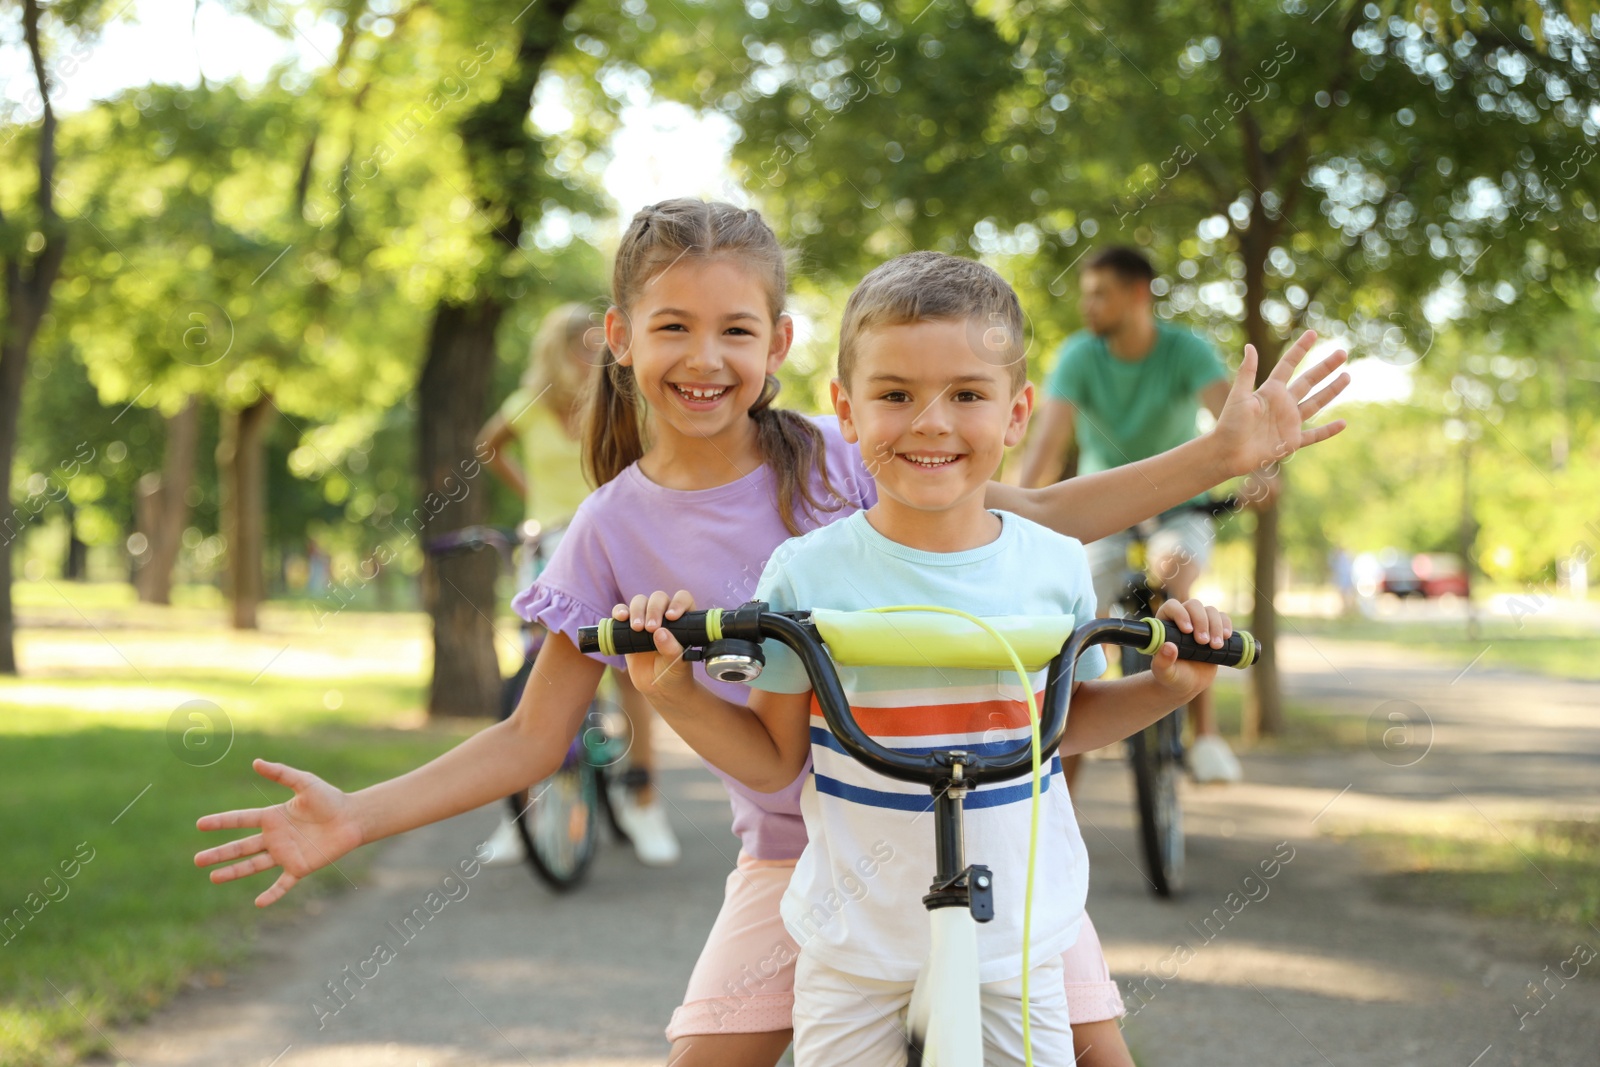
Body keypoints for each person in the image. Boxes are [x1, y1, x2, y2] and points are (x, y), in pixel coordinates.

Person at [194, 199, 1349, 1067]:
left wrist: (1216, 457)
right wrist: (358, 814)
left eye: (735, 328)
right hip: (802, 851)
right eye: (673, 326)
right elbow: (530, 737)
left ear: (780, 340)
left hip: (977, 820)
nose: (706, 357)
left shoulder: (852, 450)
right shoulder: (607, 534)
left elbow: (1033, 515)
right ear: (619, 336)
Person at [614, 251, 1234, 1064]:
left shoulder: (1051, 566)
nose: (932, 423)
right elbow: (772, 762)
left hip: (1018, 935)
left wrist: (1165, 690)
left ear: (1017, 414)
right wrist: (671, 690)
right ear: (846, 409)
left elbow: (1065, 722)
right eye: (896, 395)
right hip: (852, 939)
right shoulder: (806, 574)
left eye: (968, 395)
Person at [1017, 246, 1247, 785]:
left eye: (1100, 294)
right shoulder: (1078, 355)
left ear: (1139, 294)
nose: (1087, 305)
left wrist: (1265, 470)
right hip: (1106, 510)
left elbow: (1229, 421)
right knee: (1077, 615)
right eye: (1085, 294)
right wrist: (1021, 511)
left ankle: (1206, 735)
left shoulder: (1185, 350)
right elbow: (1046, 445)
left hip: (1180, 506)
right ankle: (1062, 791)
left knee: (1174, 569)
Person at [475, 303, 680, 867]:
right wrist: (532, 503)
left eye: (596, 344)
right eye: (579, 345)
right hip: (546, 548)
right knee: (536, 676)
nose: (590, 355)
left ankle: (643, 802)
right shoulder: (528, 408)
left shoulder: (621, 406)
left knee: (633, 675)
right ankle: (522, 818)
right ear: (553, 350)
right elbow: (486, 448)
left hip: (612, 541)